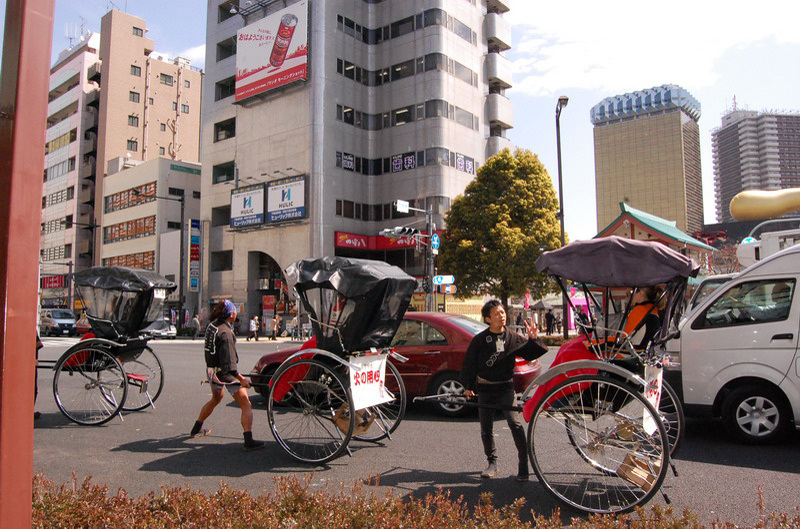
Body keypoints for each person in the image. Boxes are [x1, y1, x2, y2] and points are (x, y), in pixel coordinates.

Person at [460, 300, 548, 482]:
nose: (502, 315)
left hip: (506, 388)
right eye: (497, 313)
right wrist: (467, 386)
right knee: (486, 428)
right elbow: (469, 363)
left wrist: (533, 338)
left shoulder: (513, 337)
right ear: (487, 319)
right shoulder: (480, 340)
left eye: (502, 312)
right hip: (484, 388)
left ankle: (523, 467)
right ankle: (492, 463)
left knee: (515, 425)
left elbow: (531, 353)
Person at [189, 299, 265, 451]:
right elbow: (229, 365)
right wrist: (242, 379)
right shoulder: (226, 333)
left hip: (211, 370)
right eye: (235, 310)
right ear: (231, 314)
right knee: (246, 404)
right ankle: (248, 440)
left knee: (216, 398)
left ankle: (196, 428)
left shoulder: (212, 326)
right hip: (224, 374)